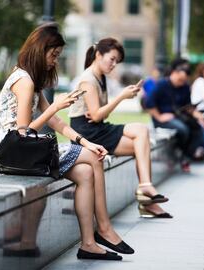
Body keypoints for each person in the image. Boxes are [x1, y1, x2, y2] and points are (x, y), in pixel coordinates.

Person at [0, 23, 133, 261]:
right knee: (93, 158)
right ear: (40, 50)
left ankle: (88, 243)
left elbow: (57, 122)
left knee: (86, 173)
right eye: (54, 55)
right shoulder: (24, 81)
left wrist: (85, 141)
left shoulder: (32, 81)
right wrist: (57, 106)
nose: (55, 61)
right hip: (12, 150)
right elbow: (23, 131)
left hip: (25, 149)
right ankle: (104, 228)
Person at [68, 38, 171, 219]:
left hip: (97, 129)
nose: (114, 64)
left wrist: (102, 110)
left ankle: (146, 190)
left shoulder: (100, 78)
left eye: (117, 61)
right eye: (112, 59)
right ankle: (147, 194)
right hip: (86, 134)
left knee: (142, 135)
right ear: (98, 55)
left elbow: (101, 115)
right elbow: (98, 115)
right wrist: (121, 96)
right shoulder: (87, 80)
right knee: (141, 138)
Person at [146, 58, 204, 170]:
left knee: (198, 128)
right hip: (163, 119)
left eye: (184, 80)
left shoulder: (185, 87)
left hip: (179, 117)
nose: (182, 82)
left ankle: (185, 156)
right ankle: (183, 156)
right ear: (174, 73)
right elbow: (148, 103)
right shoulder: (162, 84)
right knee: (183, 129)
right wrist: (159, 117)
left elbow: (188, 106)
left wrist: (197, 116)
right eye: (180, 79)